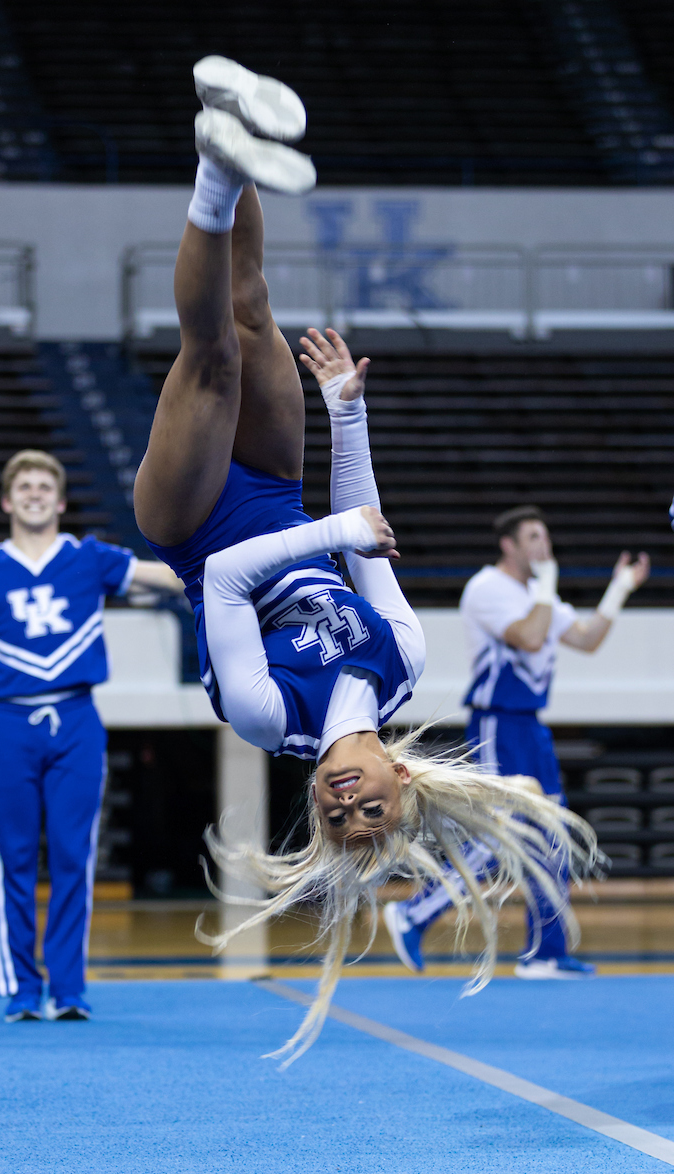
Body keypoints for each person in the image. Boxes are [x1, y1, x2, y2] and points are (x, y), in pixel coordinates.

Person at [133, 58, 597, 1064]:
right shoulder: (398, 658)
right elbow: (362, 522)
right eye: (371, 812)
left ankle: (216, 177)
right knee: (253, 308)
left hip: (195, 523)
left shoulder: (272, 716)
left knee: (208, 357)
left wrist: (332, 538)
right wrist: (349, 412)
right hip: (274, 491)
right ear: (398, 778)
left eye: (337, 819)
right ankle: (224, 126)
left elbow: (224, 581)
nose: (349, 805)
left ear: (316, 802)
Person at [0, 449, 182, 1022]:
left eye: (45, 486)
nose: (35, 494)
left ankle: (68, 989)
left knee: (75, 855)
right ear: (7, 500)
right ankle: (23, 987)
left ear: (61, 500)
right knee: (13, 857)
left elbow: (167, 578)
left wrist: (225, 559)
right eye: (24, 486)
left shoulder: (89, 558)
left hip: (76, 720)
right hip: (12, 724)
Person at [384, 505, 649, 981]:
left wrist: (620, 588)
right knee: (497, 835)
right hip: (497, 724)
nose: (542, 547)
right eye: (532, 538)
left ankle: (545, 952)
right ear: (509, 545)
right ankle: (415, 914)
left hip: (531, 728)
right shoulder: (489, 589)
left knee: (552, 836)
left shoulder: (537, 595)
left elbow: (587, 639)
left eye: (545, 537)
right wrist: (547, 585)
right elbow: (529, 638)